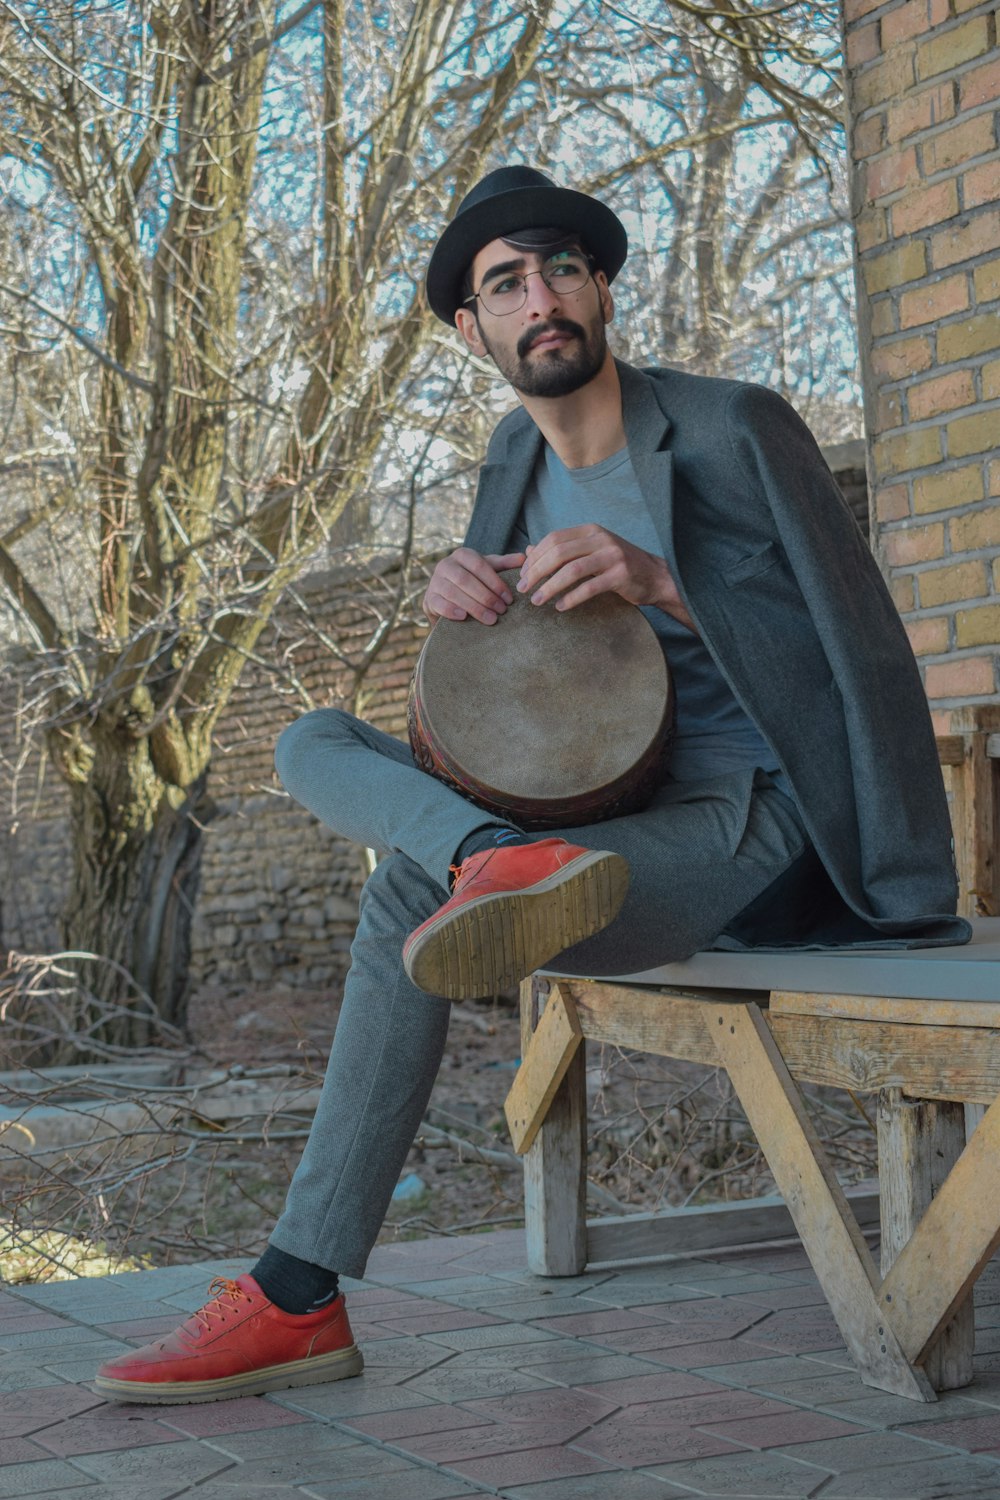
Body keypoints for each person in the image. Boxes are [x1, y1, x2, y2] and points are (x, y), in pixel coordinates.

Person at [96, 166, 968, 1406]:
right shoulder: (511, 453)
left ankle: (297, 1297)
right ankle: (482, 860)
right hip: (580, 822)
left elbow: (864, 654)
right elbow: (502, 700)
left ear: (599, 287)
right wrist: (455, 607)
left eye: (559, 267)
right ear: (473, 329)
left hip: (753, 821)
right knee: (310, 740)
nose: (539, 296)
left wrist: (669, 583)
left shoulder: (731, 425)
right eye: (504, 283)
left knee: (403, 903)